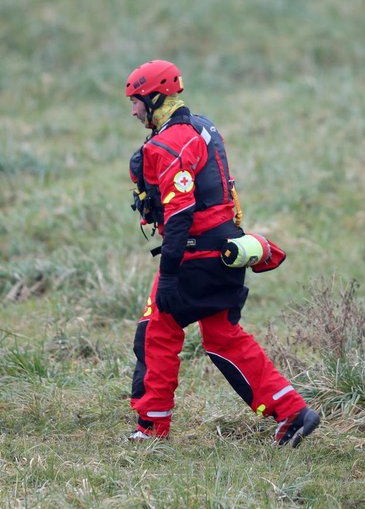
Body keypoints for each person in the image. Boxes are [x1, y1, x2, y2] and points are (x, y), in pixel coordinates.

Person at [123, 59, 319, 446]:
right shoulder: (204, 126)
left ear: (155, 96)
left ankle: (150, 428)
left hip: (197, 256)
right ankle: (293, 412)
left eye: (136, 101)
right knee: (223, 337)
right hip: (227, 250)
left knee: (156, 331)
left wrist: (170, 274)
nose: (133, 111)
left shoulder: (168, 143)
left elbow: (179, 215)